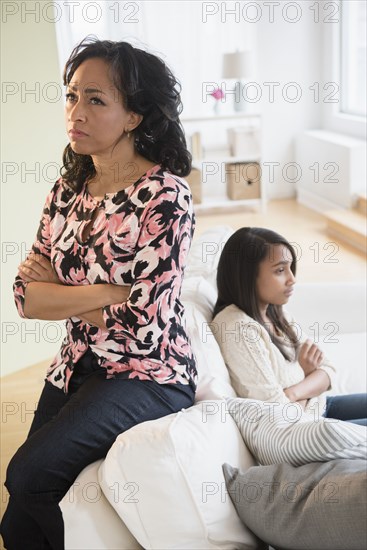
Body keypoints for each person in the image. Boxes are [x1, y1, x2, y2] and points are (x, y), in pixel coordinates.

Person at [1, 37, 197, 549]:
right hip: (75, 362)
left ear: (133, 116)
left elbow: (139, 321)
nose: (75, 112)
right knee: (15, 521)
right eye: (71, 95)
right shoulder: (67, 190)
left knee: (28, 476)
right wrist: (106, 292)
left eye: (95, 99)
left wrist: (65, 291)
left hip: (147, 373)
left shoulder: (166, 197)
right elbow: (26, 298)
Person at [212, 227, 366, 424]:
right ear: (247, 275)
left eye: (290, 268)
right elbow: (277, 410)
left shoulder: (275, 312)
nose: (292, 279)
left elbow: (328, 369)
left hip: (320, 408)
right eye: (280, 270)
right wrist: (309, 377)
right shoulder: (237, 327)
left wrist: (293, 393)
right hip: (307, 431)